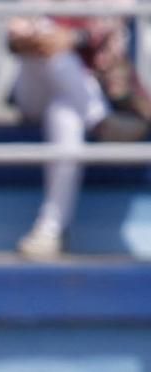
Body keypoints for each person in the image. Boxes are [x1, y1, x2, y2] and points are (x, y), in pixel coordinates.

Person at [8, 13, 151, 260]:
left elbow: (111, 27)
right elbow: (11, 34)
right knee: (51, 46)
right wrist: (40, 39)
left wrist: (72, 38)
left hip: (79, 88)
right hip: (34, 86)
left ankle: (50, 229)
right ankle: (98, 120)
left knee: (63, 113)